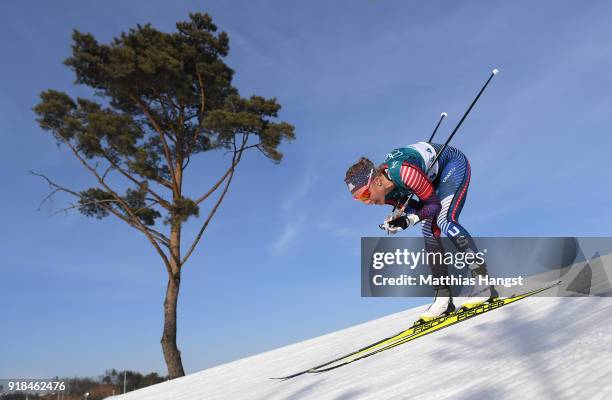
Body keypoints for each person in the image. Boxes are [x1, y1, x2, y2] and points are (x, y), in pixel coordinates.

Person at [345, 141, 497, 321]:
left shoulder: (404, 172)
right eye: (360, 200)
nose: (367, 202)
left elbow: (433, 205)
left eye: (365, 195)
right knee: (429, 231)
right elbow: (417, 208)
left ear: (377, 181)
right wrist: (401, 219)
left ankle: (483, 283)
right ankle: (443, 299)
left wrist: (410, 220)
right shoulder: (386, 193)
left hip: (452, 165)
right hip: (431, 180)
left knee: (444, 220)